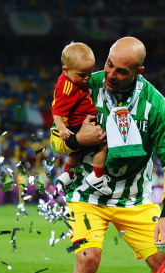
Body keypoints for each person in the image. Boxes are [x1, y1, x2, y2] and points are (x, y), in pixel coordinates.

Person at [50, 36, 165, 273]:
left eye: (121, 71)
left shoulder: (155, 104)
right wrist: (74, 140)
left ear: (139, 70)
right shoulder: (84, 84)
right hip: (86, 195)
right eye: (109, 64)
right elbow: (55, 140)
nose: (110, 74)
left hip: (135, 199)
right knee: (88, 259)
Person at [51, 42, 110, 195]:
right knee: (102, 143)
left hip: (79, 122)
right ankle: (97, 176)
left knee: (78, 152)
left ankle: (67, 175)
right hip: (77, 125)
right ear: (66, 70)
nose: (87, 78)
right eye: (82, 75)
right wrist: (62, 128)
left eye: (90, 72)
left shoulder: (73, 79)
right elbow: (57, 111)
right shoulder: (66, 88)